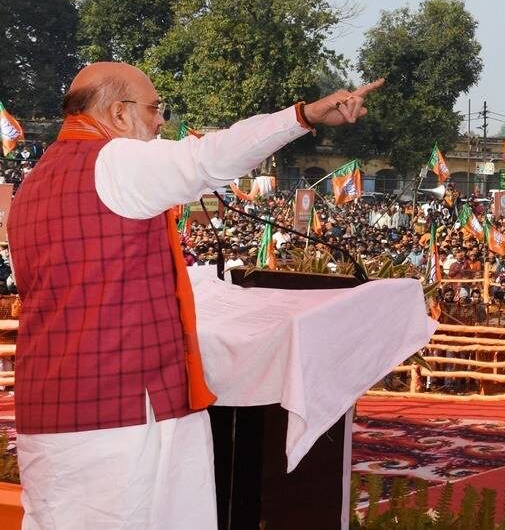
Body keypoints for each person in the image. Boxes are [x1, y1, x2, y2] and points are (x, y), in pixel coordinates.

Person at [7, 61, 383, 528]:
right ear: (120, 113)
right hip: (122, 422)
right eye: (155, 108)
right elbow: (208, 157)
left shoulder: (37, 181)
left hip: (61, 411)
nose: (162, 121)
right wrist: (302, 116)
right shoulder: (117, 161)